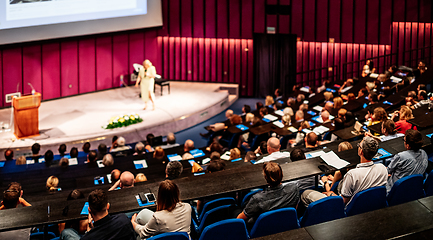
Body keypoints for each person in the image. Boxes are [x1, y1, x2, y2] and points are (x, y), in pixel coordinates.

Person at [301, 136, 388, 207]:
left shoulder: (352, 174)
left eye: (359, 146)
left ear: (360, 151)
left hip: (348, 210)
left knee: (305, 194)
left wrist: (331, 194)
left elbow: (343, 202)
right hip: (371, 205)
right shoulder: (383, 169)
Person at [237, 162, 299, 228]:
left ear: (265, 178)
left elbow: (240, 219)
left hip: (264, 229)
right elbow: (295, 207)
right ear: (282, 174)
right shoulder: (294, 189)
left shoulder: (257, 199)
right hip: (287, 224)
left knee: (235, 209)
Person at [60, 189, 136, 240]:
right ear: (108, 206)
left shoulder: (87, 238)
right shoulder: (123, 220)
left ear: (89, 210)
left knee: (66, 232)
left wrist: (89, 232)